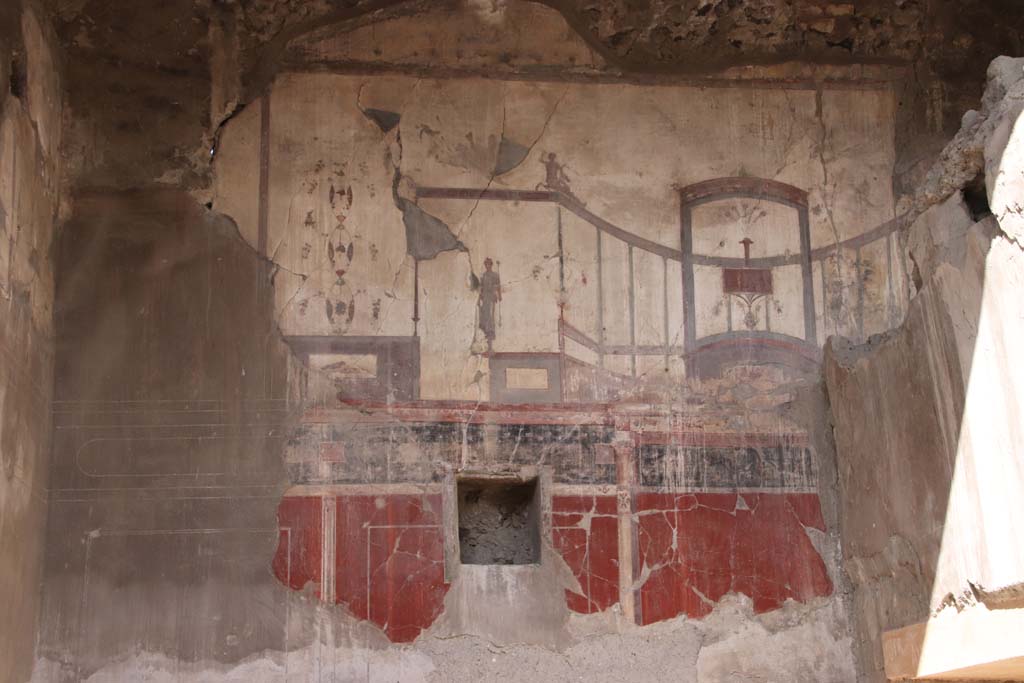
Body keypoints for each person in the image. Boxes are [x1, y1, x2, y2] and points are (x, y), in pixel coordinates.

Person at [478, 257, 501, 351]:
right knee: (484, 318)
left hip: (491, 298)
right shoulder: (483, 275)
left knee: (490, 319)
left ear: (491, 265)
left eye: (489, 264)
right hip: (485, 299)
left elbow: (498, 286)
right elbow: (481, 288)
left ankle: (490, 344)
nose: (487, 265)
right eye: (486, 264)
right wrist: (479, 298)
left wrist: (499, 295)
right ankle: (487, 344)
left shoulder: (495, 275)